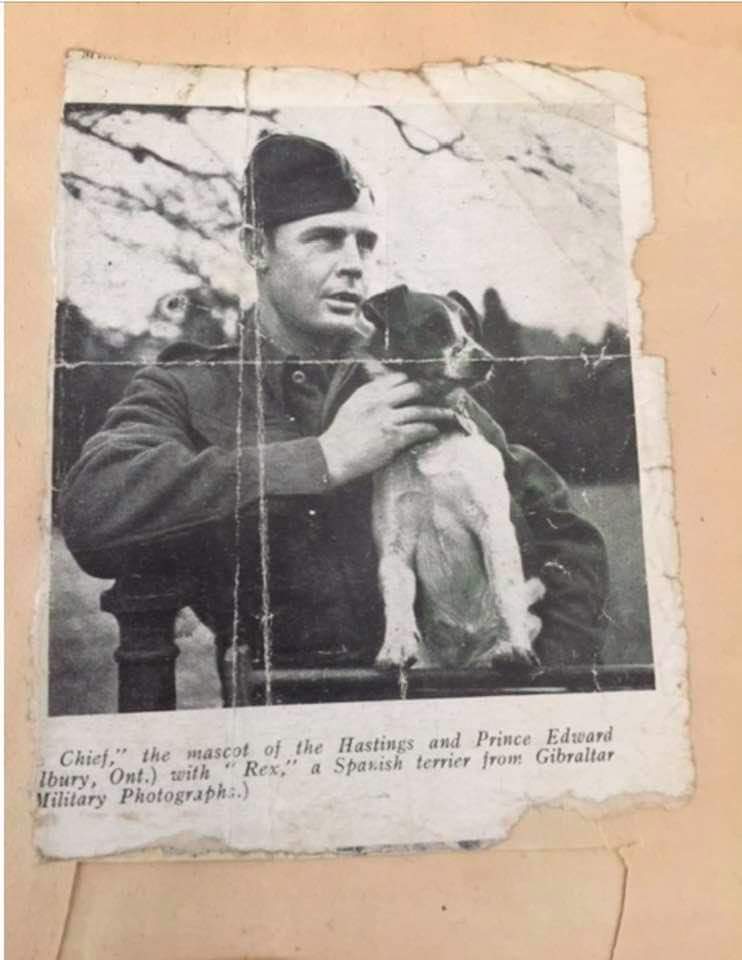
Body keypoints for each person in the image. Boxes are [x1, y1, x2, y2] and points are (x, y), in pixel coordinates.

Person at [61, 133, 608, 704]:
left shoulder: (416, 381)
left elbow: (565, 534)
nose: (354, 264)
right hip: (295, 727)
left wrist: (555, 675)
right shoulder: (191, 387)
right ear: (256, 247)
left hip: (451, 713)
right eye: (325, 238)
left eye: (366, 244)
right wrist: (324, 458)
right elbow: (94, 510)